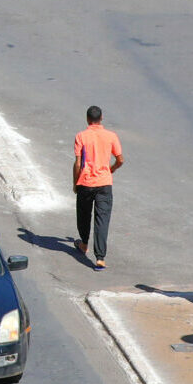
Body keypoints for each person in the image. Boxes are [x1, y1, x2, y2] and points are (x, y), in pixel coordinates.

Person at [71, 104, 123, 271]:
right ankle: (100, 258)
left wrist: (75, 183)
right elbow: (120, 159)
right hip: (104, 183)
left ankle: (84, 243)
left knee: (84, 214)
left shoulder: (81, 136)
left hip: (85, 182)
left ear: (87, 119)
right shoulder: (111, 136)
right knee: (102, 220)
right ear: (101, 119)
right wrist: (111, 169)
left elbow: (78, 163)